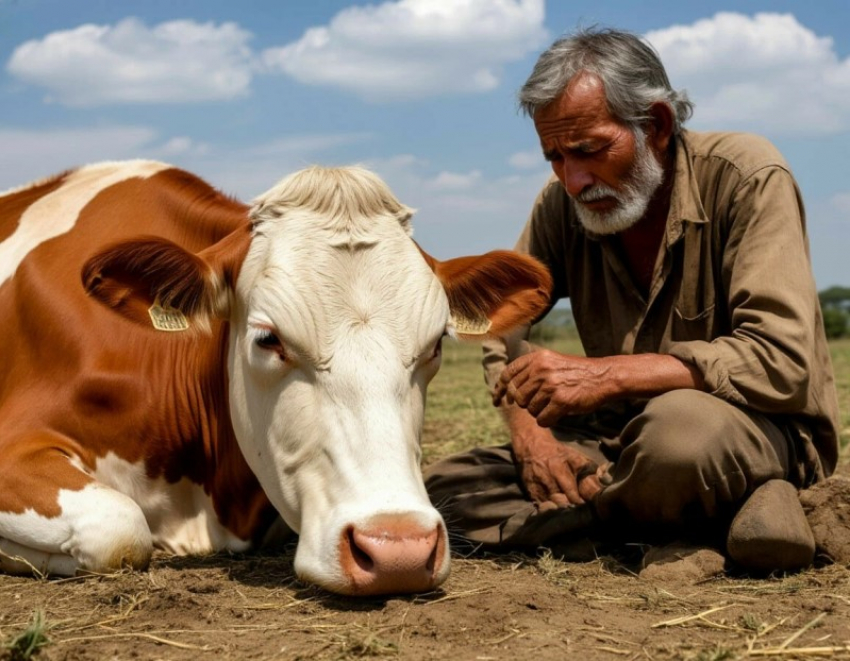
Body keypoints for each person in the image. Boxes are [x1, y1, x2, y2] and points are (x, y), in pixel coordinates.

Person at [425, 27, 840, 573]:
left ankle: (618, 521)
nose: (573, 180)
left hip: (747, 432)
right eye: (554, 158)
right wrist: (532, 440)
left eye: (589, 151)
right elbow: (498, 322)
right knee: (438, 492)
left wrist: (605, 376)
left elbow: (780, 360)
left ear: (657, 126)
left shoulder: (747, 176)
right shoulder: (562, 205)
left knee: (678, 436)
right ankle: (718, 521)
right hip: (614, 445)